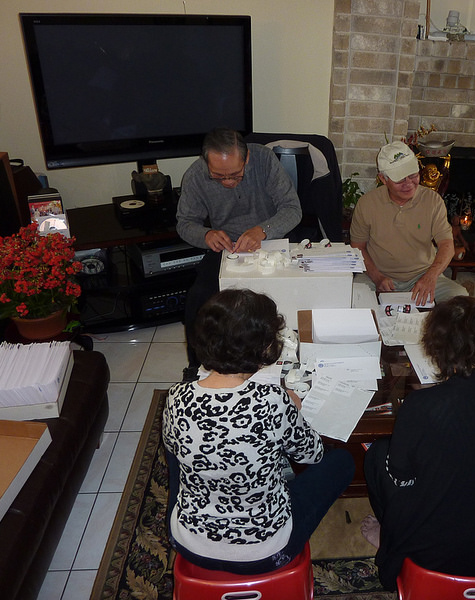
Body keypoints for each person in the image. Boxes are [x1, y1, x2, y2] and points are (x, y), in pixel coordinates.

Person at [162, 289, 354, 574]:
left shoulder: (176, 396)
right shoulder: (271, 400)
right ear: (264, 348)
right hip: (266, 551)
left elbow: (172, 446)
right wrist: (292, 409)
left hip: (189, 542)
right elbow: (312, 455)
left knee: (176, 451)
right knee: (342, 461)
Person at [361, 296, 475, 591]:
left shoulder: (422, 404)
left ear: (437, 349)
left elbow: (400, 475)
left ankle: (389, 536)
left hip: (435, 554)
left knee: (378, 455)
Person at [177, 127, 302, 382]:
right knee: (198, 299)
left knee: (293, 295)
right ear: (206, 162)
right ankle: (196, 368)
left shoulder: (264, 160)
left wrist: (263, 230)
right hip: (227, 247)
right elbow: (185, 223)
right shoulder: (195, 175)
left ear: (246, 159)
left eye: (235, 175)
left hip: (270, 241)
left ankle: (288, 360)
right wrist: (206, 235)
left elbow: (292, 209)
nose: (227, 182)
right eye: (218, 176)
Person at [349, 141, 467, 306]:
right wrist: (377, 277)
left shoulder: (433, 201)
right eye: (400, 179)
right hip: (377, 275)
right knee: (352, 298)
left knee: (461, 299)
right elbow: (357, 247)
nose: (409, 183)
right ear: (383, 178)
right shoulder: (367, 203)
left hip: (423, 274)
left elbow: (447, 245)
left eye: (413, 175)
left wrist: (430, 277)